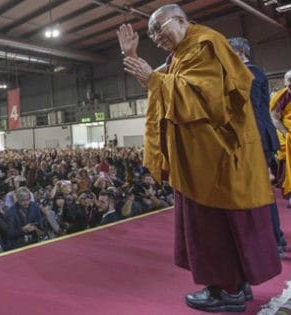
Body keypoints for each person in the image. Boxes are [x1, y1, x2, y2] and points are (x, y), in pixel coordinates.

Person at [118, 4, 281, 313]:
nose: (155, 37)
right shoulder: (180, 54)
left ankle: (226, 292)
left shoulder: (205, 43)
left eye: (159, 28)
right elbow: (163, 87)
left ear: (181, 20)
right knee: (221, 224)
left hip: (214, 157)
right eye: (151, 33)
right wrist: (134, 60)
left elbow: (207, 98)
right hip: (201, 157)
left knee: (214, 226)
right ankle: (236, 285)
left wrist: (153, 79)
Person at [229, 37, 287, 255]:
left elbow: (249, 111)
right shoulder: (251, 72)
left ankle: (275, 239)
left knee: (261, 192)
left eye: (229, 52)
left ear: (241, 52)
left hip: (256, 141)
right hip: (255, 140)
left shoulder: (250, 72)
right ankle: (270, 238)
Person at [270, 71, 291, 203]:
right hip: (286, 132)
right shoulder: (279, 97)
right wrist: (287, 134)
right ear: (285, 82)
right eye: (289, 81)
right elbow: (275, 119)